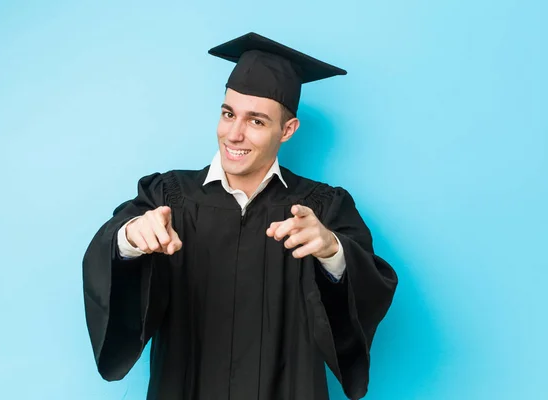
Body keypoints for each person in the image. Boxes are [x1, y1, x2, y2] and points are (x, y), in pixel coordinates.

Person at [82, 32, 398, 400]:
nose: (234, 134)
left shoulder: (321, 208)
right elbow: (108, 253)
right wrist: (130, 240)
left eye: (256, 121)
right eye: (228, 113)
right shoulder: (167, 196)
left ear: (288, 130)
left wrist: (333, 252)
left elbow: (369, 286)